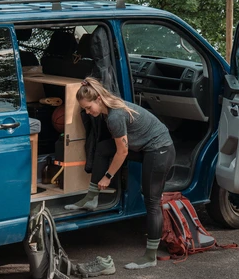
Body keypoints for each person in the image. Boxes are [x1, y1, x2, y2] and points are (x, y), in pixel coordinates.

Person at [64, 77, 175, 269]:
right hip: (146, 147)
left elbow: (122, 151)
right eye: (85, 110)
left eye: (89, 107)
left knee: (152, 201)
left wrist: (108, 176)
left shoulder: (115, 117)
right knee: (102, 148)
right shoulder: (109, 106)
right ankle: (91, 198)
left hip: (160, 150)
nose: (89, 112)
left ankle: (150, 256)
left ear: (98, 99)